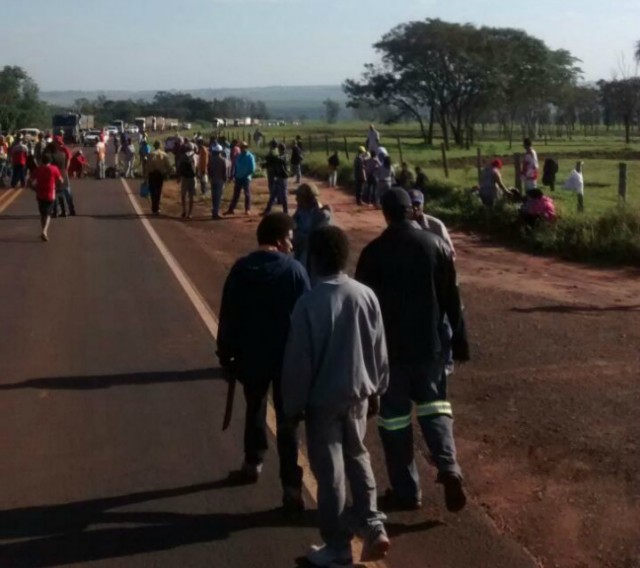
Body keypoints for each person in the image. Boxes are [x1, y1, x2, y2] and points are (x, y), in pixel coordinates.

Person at [355, 188, 470, 513]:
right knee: (435, 410)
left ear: (385, 213)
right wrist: (459, 339)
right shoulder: (436, 246)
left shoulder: (373, 252)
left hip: (389, 354)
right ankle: (448, 467)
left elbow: (363, 307)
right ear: (411, 211)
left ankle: (407, 492)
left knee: (395, 422)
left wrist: (362, 353)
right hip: (430, 349)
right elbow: (452, 299)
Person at [281, 226, 390, 567]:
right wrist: (378, 389)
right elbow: (379, 349)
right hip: (358, 395)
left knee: (330, 474)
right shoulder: (365, 295)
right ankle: (373, 524)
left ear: (313, 259)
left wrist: (291, 406)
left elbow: (299, 363)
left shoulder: (308, 304)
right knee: (358, 456)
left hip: (322, 402)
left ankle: (338, 544)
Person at [217, 213, 310, 513]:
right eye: (290, 239)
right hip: (287, 359)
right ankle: (291, 488)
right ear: (281, 239)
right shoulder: (295, 271)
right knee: (288, 421)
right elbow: (306, 318)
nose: (292, 244)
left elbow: (228, 315)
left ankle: (252, 462)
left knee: (255, 408)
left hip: (251, 357)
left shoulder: (241, 269)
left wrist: (226, 355)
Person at [292, 183, 332, 269]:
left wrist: (296, 236)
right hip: (300, 249)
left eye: (299, 197)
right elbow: (292, 226)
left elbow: (313, 238)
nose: (296, 199)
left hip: (312, 256)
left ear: (308, 198)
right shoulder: (301, 210)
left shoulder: (322, 215)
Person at [408, 190, 455, 256]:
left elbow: (450, 252)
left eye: (417, 204)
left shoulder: (436, 225)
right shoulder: (401, 225)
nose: (415, 208)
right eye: (412, 205)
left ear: (423, 205)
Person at [30, 152, 63, 242]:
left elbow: (29, 181)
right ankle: (44, 231)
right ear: (50, 161)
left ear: (41, 160)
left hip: (40, 193)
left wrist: (34, 189)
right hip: (50, 193)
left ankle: (43, 231)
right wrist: (57, 187)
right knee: (48, 214)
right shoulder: (54, 169)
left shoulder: (38, 169)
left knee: (42, 214)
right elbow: (61, 180)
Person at [224, 141, 256, 215]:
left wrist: (245, 175)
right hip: (238, 177)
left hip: (246, 178)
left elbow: (252, 169)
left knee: (247, 194)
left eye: (243, 147)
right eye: (241, 147)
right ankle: (231, 209)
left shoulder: (250, 156)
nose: (242, 149)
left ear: (246, 148)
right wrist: (234, 175)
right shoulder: (239, 156)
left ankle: (247, 209)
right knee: (236, 194)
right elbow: (236, 166)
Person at [145, 140, 173, 215]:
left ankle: (154, 207)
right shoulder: (164, 155)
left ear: (154, 146)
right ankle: (156, 207)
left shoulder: (150, 155)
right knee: (158, 191)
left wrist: (145, 178)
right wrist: (169, 174)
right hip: (160, 175)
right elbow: (169, 167)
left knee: (152, 191)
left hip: (152, 175)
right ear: (160, 146)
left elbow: (147, 167)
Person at [263, 143, 290, 215]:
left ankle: (286, 212)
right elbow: (273, 162)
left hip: (283, 178)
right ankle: (267, 210)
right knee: (273, 195)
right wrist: (266, 164)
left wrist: (270, 158)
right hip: (278, 178)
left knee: (283, 196)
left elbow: (279, 160)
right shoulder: (279, 156)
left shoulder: (285, 156)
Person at [177, 142, 197, 219]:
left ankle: (184, 210)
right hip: (193, 178)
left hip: (184, 178)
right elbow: (196, 167)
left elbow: (179, 167)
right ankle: (190, 213)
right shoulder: (195, 156)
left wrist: (178, 177)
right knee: (191, 196)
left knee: (183, 195)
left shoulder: (182, 156)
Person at [208, 144, 228, 219]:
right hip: (220, 180)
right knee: (218, 197)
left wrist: (210, 177)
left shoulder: (211, 160)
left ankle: (214, 211)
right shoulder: (222, 160)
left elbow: (209, 170)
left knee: (214, 196)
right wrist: (225, 179)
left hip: (213, 179)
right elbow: (225, 171)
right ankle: (216, 212)